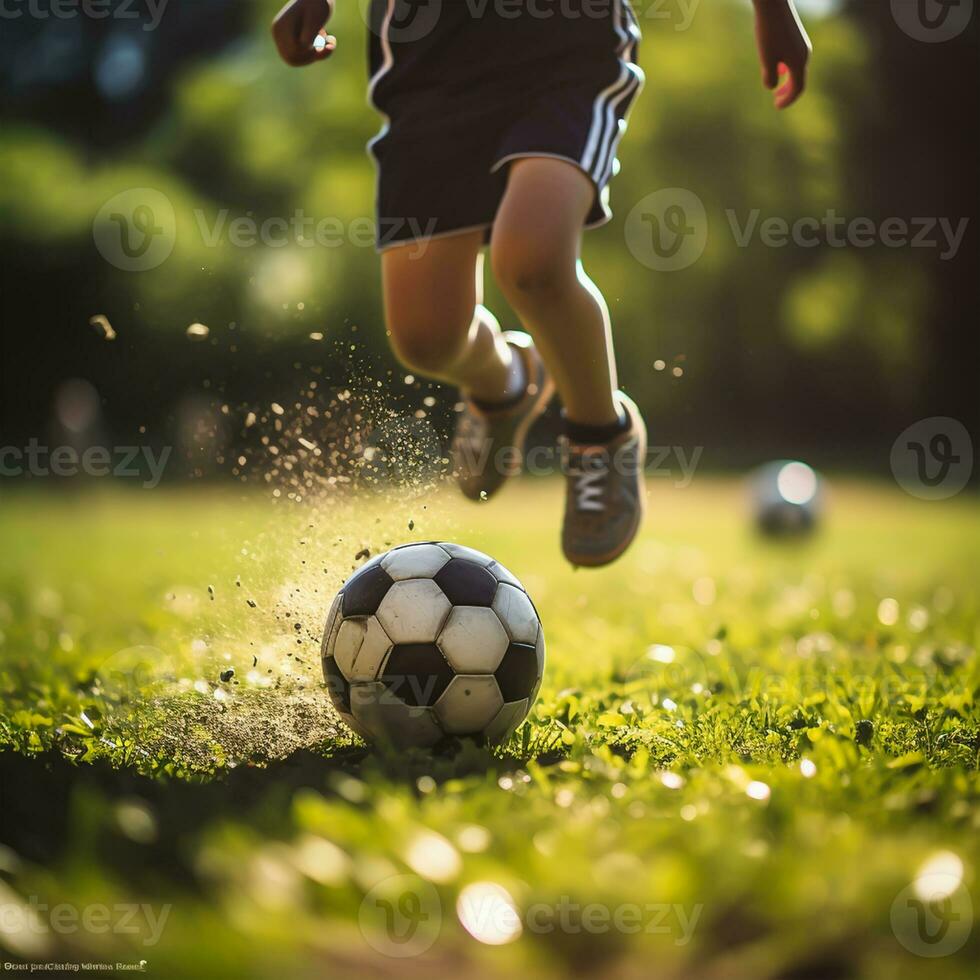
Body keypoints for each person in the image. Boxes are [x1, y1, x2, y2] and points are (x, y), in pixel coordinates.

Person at [272, 0, 811, 566]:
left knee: (531, 261)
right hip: (428, 65)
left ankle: (600, 435)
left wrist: (772, 9)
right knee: (425, 338)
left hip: (563, 48)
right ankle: (505, 383)